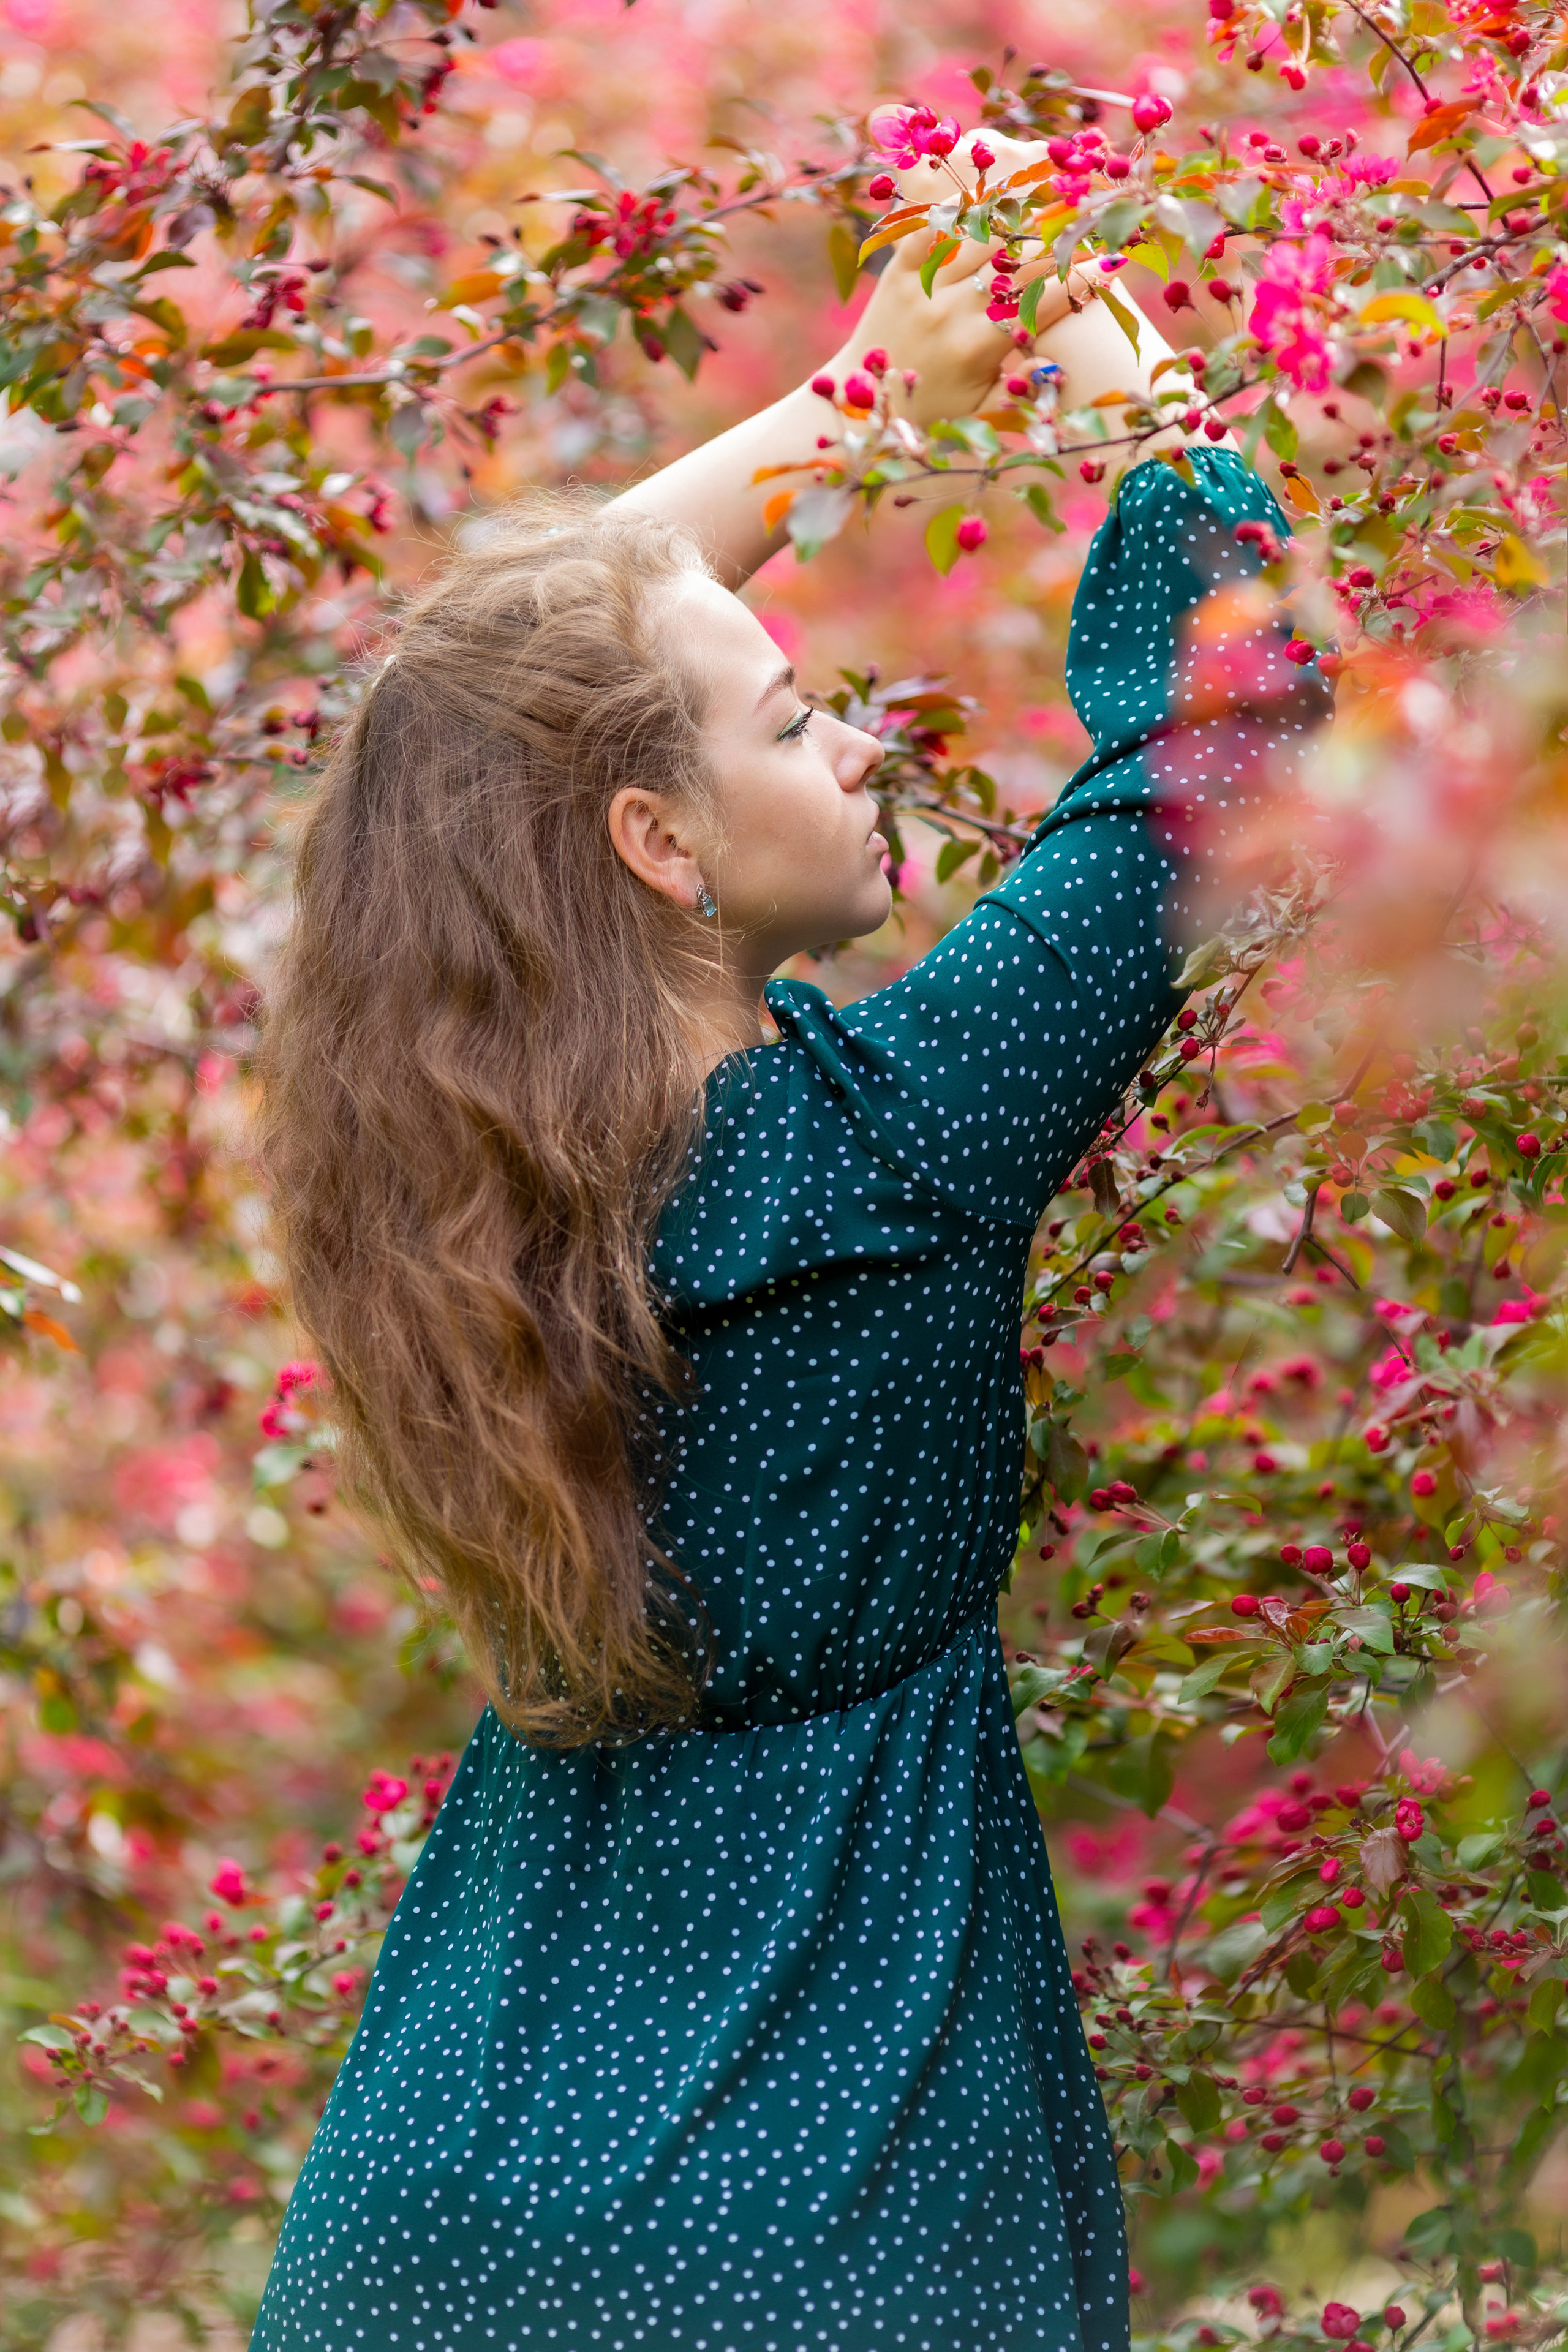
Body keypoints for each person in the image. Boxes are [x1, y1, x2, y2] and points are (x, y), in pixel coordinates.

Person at [253, 125, 1322, 2352]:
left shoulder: (453, 1184)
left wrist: (861, 403)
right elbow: (1234, 709)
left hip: (438, 2202)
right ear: (654, 839)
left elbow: (448, 738)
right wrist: (1101, 343)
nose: (853, 758)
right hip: (821, 2184)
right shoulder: (889, 1146)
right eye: (799, 720)